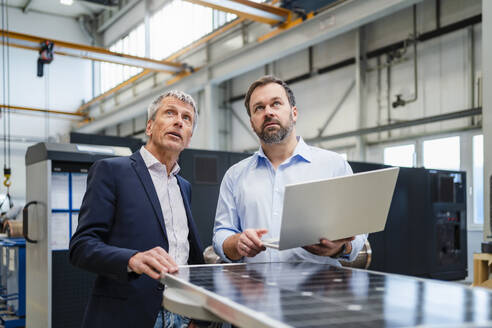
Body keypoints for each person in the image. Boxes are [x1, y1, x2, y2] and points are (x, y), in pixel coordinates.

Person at [69, 90, 204, 328]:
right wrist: (131, 259)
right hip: (128, 314)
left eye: (187, 118)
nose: (178, 122)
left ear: (189, 137)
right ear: (149, 127)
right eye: (170, 113)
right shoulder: (111, 171)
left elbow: (187, 250)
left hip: (181, 313)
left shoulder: (184, 186)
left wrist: (197, 317)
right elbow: (82, 246)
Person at [213, 75, 367, 264]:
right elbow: (221, 233)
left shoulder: (334, 166)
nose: (268, 112)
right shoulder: (235, 176)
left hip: (320, 289)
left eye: (276, 103)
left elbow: (357, 232)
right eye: (259, 108)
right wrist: (237, 243)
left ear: (294, 113)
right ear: (252, 123)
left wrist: (341, 247)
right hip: (254, 290)